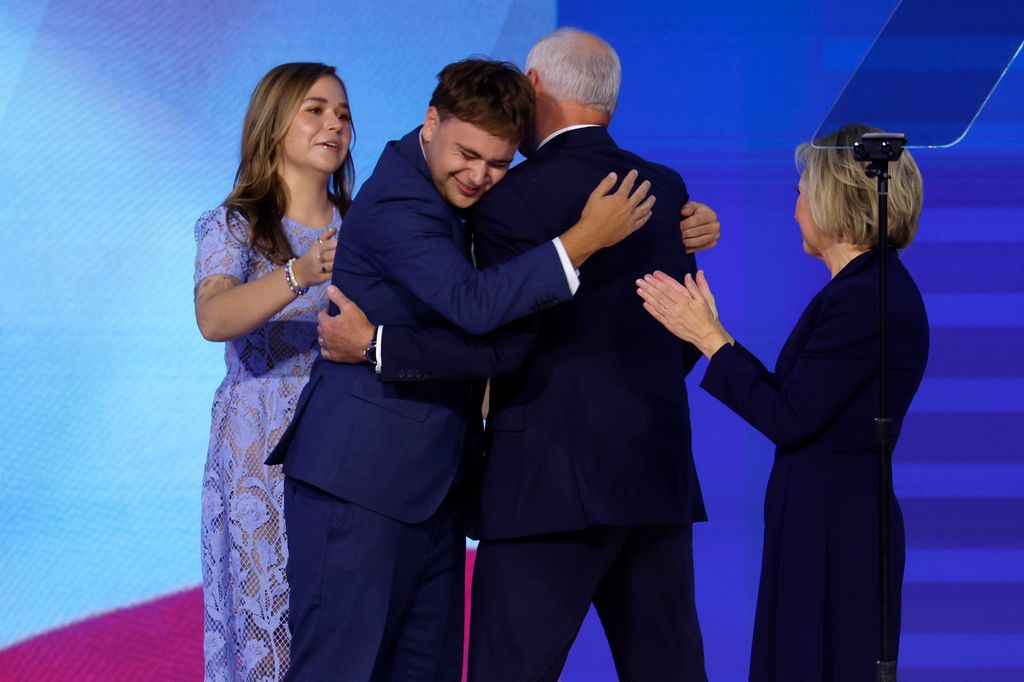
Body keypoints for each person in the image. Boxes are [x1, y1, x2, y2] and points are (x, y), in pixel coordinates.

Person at [319, 29, 718, 681]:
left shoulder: (512, 198)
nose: (481, 173)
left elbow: (494, 338)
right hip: (656, 476)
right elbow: (683, 338)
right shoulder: (666, 188)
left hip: (544, 486)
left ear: (532, 89)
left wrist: (374, 345)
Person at [636, 123, 929, 682]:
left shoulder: (867, 297)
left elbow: (789, 417)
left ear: (832, 196)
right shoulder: (859, 289)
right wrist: (712, 334)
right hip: (822, 513)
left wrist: (709, 337)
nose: (794, 205)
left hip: (835, 526)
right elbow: (799, 404)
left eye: (801, 190)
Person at [192, 62, 352, 681]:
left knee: (339, 618)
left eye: (342, 115)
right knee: (267, 621)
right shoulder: (232, 224)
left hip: (344, 433)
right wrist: (297, 274)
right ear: (273, 121)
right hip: (258, 442)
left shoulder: (365, 225)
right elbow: (214, 316)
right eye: (315, 110)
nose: (333, 124)